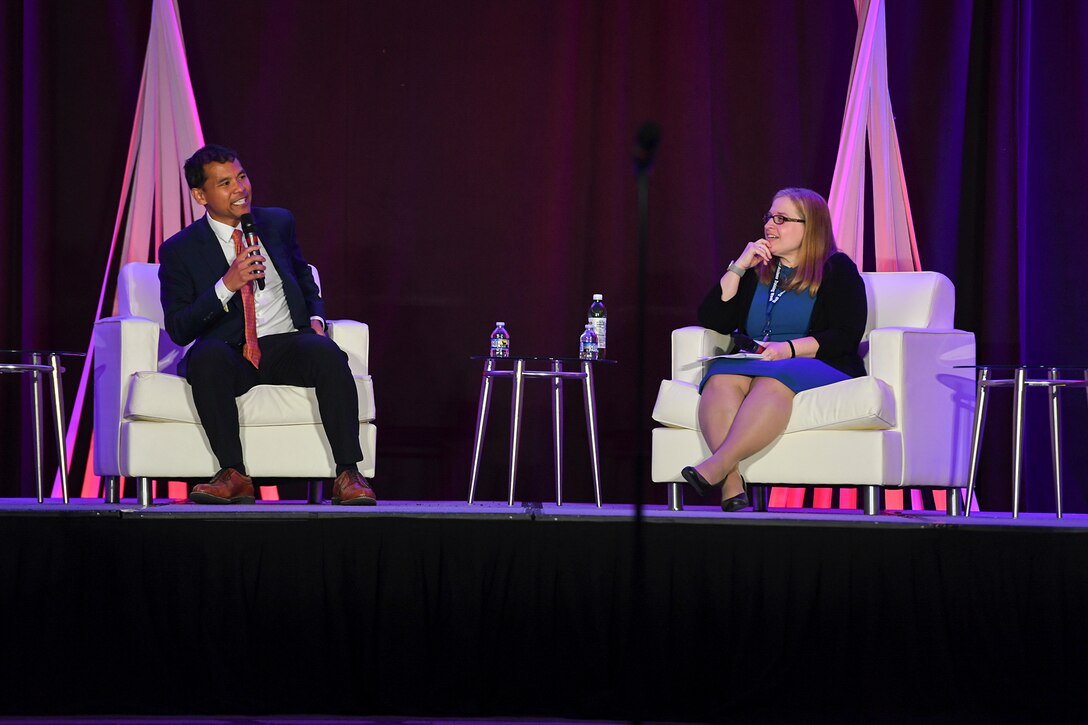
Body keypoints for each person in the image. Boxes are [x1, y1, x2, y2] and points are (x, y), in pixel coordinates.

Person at [159, 144, 376, 505]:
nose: (240, 189)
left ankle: (348, 474)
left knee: (325, 353)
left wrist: (317, 319)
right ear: (201, 195)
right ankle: (233, 474)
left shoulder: (277, 222)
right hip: (229, 352)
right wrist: (226, 284)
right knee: (206, 359)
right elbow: (180, 327)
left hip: (284, 343)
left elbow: (303, 276)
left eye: (242, 177)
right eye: (225, 183)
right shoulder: (179, 250)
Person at [681, 187, 866, 511]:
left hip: (815, 361)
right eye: (769, 217)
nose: (770, 225)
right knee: (720, 376)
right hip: (756, 359)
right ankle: (732, 482)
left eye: (782, 219)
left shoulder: (837, 269)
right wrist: (739, 267)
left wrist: (788, 349)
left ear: (812, 226)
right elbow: (713, 318)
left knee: (774, 379)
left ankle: (716, 466)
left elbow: (845, 334)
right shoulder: (759, 271)